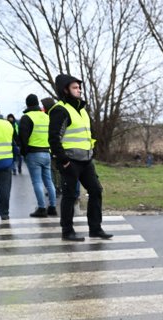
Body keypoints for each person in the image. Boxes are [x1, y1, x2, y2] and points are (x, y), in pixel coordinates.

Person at [48, 73, 112, 241]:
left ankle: (95, 229)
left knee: (96, 190)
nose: (79, 90)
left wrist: (91, 152)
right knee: (70, 195)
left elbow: (88, 133)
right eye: (75, 88)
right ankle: (67, 231)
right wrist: (64, 160)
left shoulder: (82, 110)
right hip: (70, 161)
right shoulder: (60, 110)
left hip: (86, 160)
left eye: (79, 87)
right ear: (65, 90)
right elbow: (54, 138)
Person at [19, 94, 58, 217]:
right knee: (49, 181)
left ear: (27, 104)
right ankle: (52, 207)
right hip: (47, 152)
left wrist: (24, 153)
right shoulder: (47, 117)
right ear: (37, 104)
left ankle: (41, 208)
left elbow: (23, 139)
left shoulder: (26, 117)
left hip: (33, 153)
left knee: (37, 182)